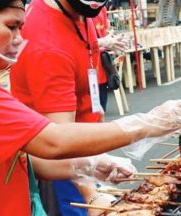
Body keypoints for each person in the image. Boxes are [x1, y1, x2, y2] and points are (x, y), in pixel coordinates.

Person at [0, 0, 181, 215]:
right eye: (11, 27)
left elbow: (21, 157)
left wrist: (88, 165)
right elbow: (53, 140)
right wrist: (146, 124)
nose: (19, 39)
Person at [10, 0, 129, 215]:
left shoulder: (79, 12)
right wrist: (90, 194)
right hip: (62, 167)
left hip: (83, 150)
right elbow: (61, 143)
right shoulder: (46, 42)